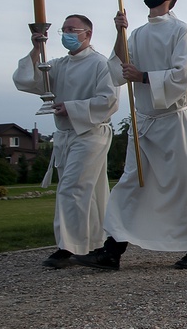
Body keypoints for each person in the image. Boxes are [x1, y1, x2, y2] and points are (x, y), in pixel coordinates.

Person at [74, 0, 187, 271]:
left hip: (174, 122)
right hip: (144, 124)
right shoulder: (137, 34)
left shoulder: (180, 31)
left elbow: (185, 76)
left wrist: (144, 77)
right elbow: (120, 69)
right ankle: (111, 251)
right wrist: (119, 33)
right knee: (130, 184)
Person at [13, 15, 119, 268]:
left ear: (88, 34)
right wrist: (37, 48)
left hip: (90, 133)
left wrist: (71, 108)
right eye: (64, 30)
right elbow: (27, 80)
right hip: (65, 135)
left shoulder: (100, 64)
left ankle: (67, 247)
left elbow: (109, 100)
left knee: (72, 188)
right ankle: (96, 242)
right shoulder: (59, 65)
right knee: (91, 192)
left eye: (73, 29)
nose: (67, 34)